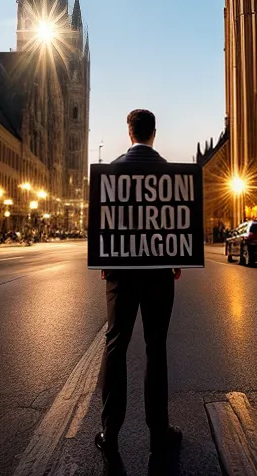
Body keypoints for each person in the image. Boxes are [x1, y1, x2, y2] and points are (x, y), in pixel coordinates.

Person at [96, 109, 183, 474]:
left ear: (129, 133)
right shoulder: (172, 174)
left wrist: (106, 260)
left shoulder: (111, 173)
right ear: (154, 134)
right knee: (155, 347)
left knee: (116, 343)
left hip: (121, 270)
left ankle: (109, 432)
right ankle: (158, 433)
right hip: (160, 273)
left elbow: (104, 222)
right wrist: (177, 258)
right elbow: (177, 220)